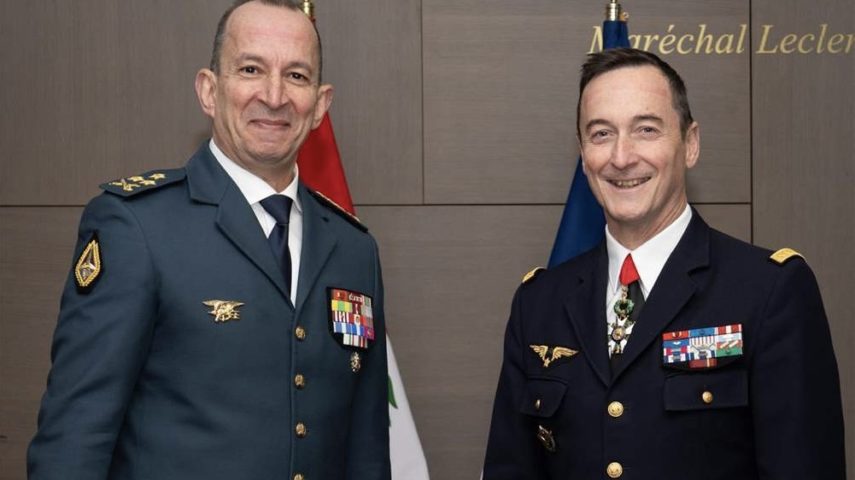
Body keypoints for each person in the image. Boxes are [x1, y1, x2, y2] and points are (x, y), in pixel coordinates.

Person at [27, 1, 391, 479]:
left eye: (296, 76)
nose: (274, 96)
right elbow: (74, 442)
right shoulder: (137, 227)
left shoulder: (354, 249)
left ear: (321, 104)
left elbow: (367, 452)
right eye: (251, 69)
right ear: (209, 90)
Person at [483, 48, 845, 479]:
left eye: (646, 129)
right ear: (582, 154)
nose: (621, 157)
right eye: (601, 134)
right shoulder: (539, 303)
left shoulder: (769, 292)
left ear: (690, 144)